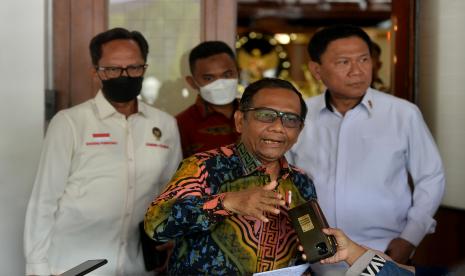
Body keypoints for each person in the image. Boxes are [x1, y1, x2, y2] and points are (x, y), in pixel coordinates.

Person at [144, 78, 413, 275]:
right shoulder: (203, 166)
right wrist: (227, 203)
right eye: (265, 115)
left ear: (300, 130)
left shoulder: (300, 181)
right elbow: (156, 226)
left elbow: (313, 250)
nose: (278, 128)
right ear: (240, 121)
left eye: (290, 120)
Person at [287, 24, 445, 273]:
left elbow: (431, 177)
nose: (357, 71)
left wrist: (409, 239)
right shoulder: (300, 116)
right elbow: (287, 180)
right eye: (343, 62)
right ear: (316, 70)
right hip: (318, 255)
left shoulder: (402, 114)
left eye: (363, 59)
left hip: (385, 253)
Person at [24, 28, 182, 275]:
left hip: (137, 265)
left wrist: (173, 238)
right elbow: (44, 200)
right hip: (74, 265)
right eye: (112, 69)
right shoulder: (69, 123)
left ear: (144, 68)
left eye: (134, 67)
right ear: (95, 71)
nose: (124, 75)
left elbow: (171, 195)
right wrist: (36, 267)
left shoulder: (165, 125)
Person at [176, 41, 240, 157]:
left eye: (227, 75)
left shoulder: (254, 114)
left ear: (237, 72)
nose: (220, 83)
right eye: (209, 78)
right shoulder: (180, 125)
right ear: (192, 82)